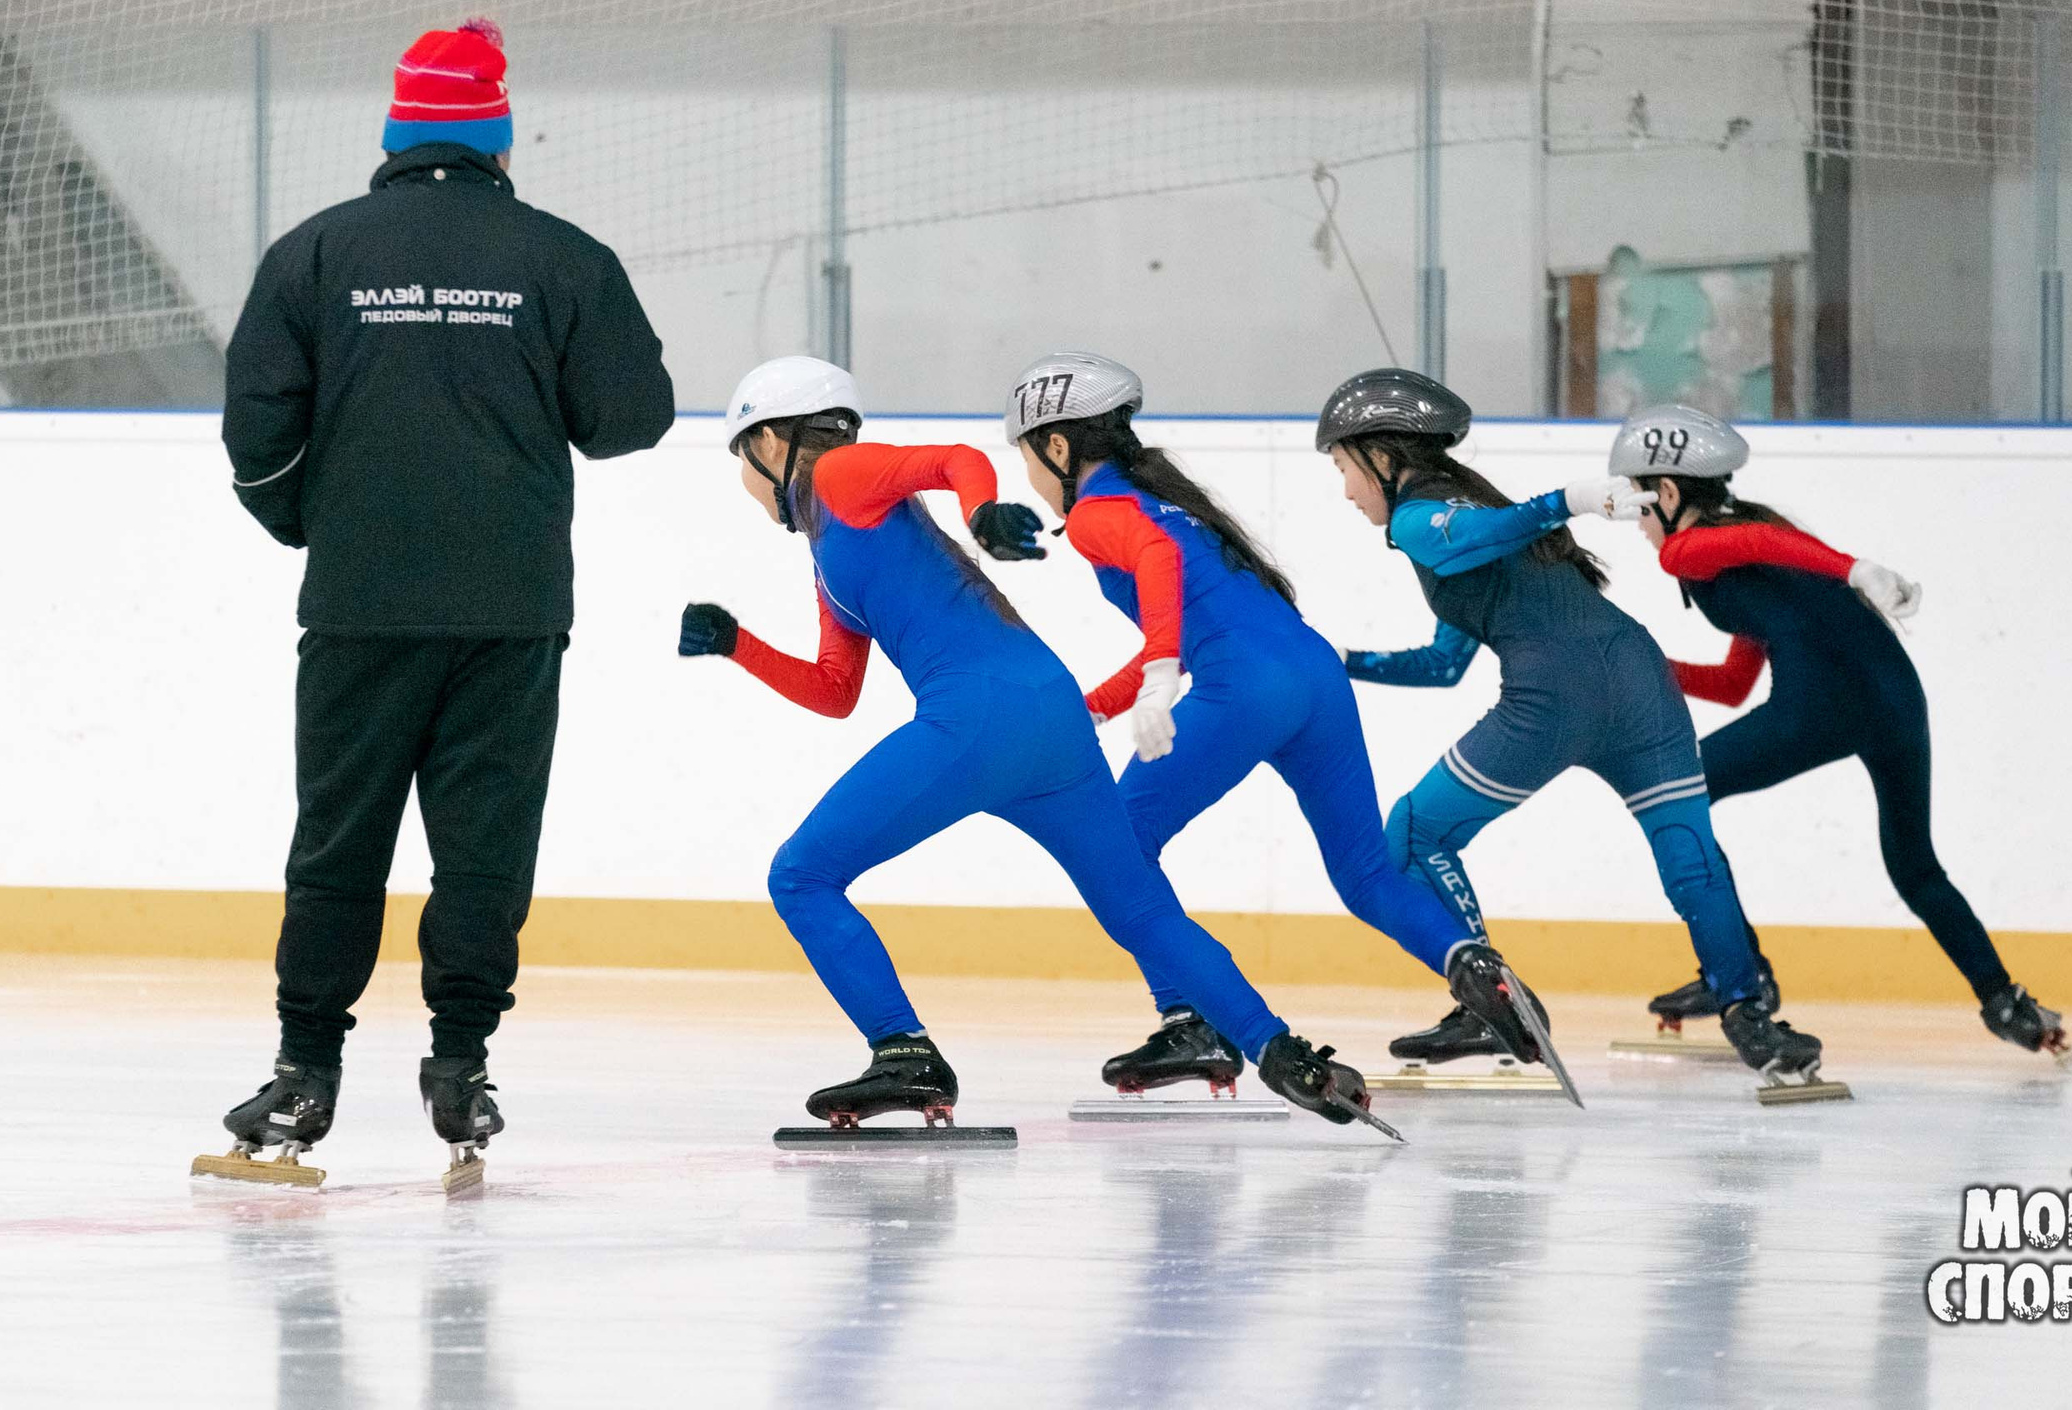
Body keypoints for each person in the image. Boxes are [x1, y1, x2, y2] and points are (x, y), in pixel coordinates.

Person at [677, 356, 1511, 1131]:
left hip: (974, 719)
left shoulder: (838, 472)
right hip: (1051, 716)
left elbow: (956, 457)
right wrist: (738, 644)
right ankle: (1279, 1050)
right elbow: (836, 690)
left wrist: (983, 512)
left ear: (771, 440)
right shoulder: (832, 553)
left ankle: (904, 1050)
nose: (747, 488)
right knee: (1139, 907)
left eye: (740, 463)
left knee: (800, 874)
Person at [207, 18, 676, 1183]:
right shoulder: (561, 258)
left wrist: (322, 527)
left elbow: (256, 438)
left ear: (396, 135)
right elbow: (631, 420)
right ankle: (460, 1064)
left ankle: (304, 1071)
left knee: (338, 836)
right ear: (497, 142)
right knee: (483, 844)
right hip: (512, 607)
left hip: (360, 602)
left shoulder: (313, 253)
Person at [1001, 351, 1566, 1096]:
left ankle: (1196, 1021)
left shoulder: (1102, 514)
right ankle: (1475, 966)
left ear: (1060, 447)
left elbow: (1158, 569)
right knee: (1365, 871)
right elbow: (1201, 613)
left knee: (1118, 846)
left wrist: (1165, 674)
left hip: (1243, 686)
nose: (1027, 477)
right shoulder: (1167, 500)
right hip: (1313, 678)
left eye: (1025, 457)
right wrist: (1092, 709)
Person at [1324, 368, 1832, 1085]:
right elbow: (1444, 663)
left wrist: (1569, 500)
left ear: (1383, 456)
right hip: (1640, 681)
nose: (1346, 491)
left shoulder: (1424, 520)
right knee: (1691, 855)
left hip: (1554, 698)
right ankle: (1751, 1016)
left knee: (1413, 832)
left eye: (1345, 468)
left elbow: (1476, 531)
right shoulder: (1471, 531)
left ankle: (1489, 1000)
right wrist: (1341, 659)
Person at [1611, 404, 2072, 1060]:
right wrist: (1648, 665)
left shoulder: (1693, 548)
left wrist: (1856, 567)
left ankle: (1741, 977)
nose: (1635, 522)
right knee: (1915, 865)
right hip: (1895, 699)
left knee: (1674, 794)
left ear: (1667, 492)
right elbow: (1735, 682)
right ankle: (2007, 1003)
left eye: (1635, 502)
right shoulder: (1756, 528)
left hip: (1822, 704)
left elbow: (1756, 546)